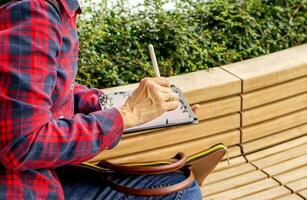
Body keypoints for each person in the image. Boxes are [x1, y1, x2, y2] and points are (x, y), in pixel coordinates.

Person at [0, 0, 202, 199]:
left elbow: (51, 88)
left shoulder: (50, 9)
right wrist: (127, 114)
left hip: (48, 172)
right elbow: (22, 144)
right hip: (26, 186)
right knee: (181, 191)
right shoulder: (35, 12)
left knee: (177, 182)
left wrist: (110, 105)